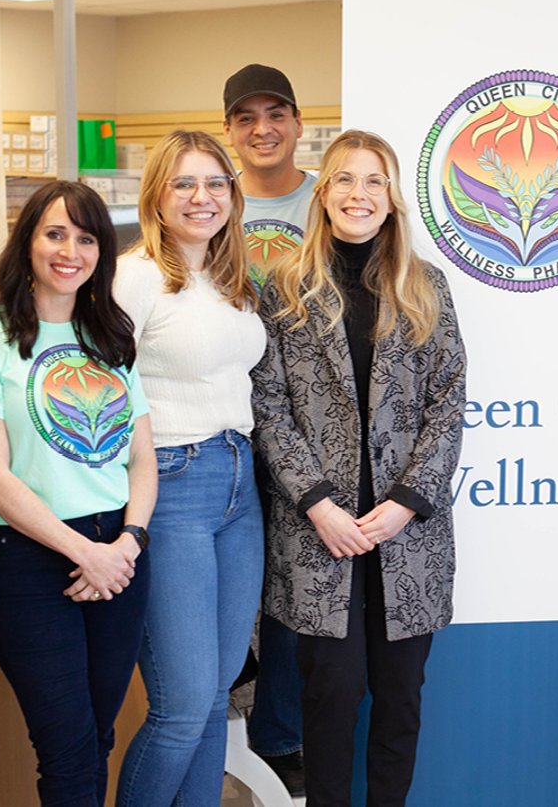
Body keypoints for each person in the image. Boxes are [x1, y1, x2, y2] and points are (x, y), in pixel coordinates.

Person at [250, 129, 466, 807]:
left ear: (393, 198)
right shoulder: (283, 288)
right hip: (321, 538)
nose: (359, 194)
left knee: (400, 703)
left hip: (409, 536)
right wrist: (317, 503)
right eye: (345, 179)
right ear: (323, 192)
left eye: (374, 181)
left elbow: (449, 401)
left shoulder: (427, 287)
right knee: (330, 701)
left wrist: (406, 501)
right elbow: (268, 405)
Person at [0, 180, 154, 805]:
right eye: (55, 233)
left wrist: (127, 542)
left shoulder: (110, 335)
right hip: (33, 564)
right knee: (65, 749)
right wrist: (84, 553)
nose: (71, 250)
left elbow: (142, 459)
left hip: (118, 556)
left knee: (98, 741)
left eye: (87, 238)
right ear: (28, 241)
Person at [113, 130, 265, 805]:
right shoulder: (133, 276)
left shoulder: (230, 277)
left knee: (215, 694)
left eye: (215, 184)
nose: (202, 198)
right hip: (170, 484)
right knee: (180, 704)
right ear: (157, 195)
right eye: (184, 184)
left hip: (239, 483)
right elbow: (104, 391)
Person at [223, 61, 315, 794]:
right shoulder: (210, 204)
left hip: (308, 422)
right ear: (229, 131)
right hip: (225, 415)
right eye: (246, 118)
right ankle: (218, 720)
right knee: (235, 578)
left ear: (297, 123)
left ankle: (278, 734)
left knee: (290, 585)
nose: (263, 129)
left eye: (275, 113)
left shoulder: (326, 201)